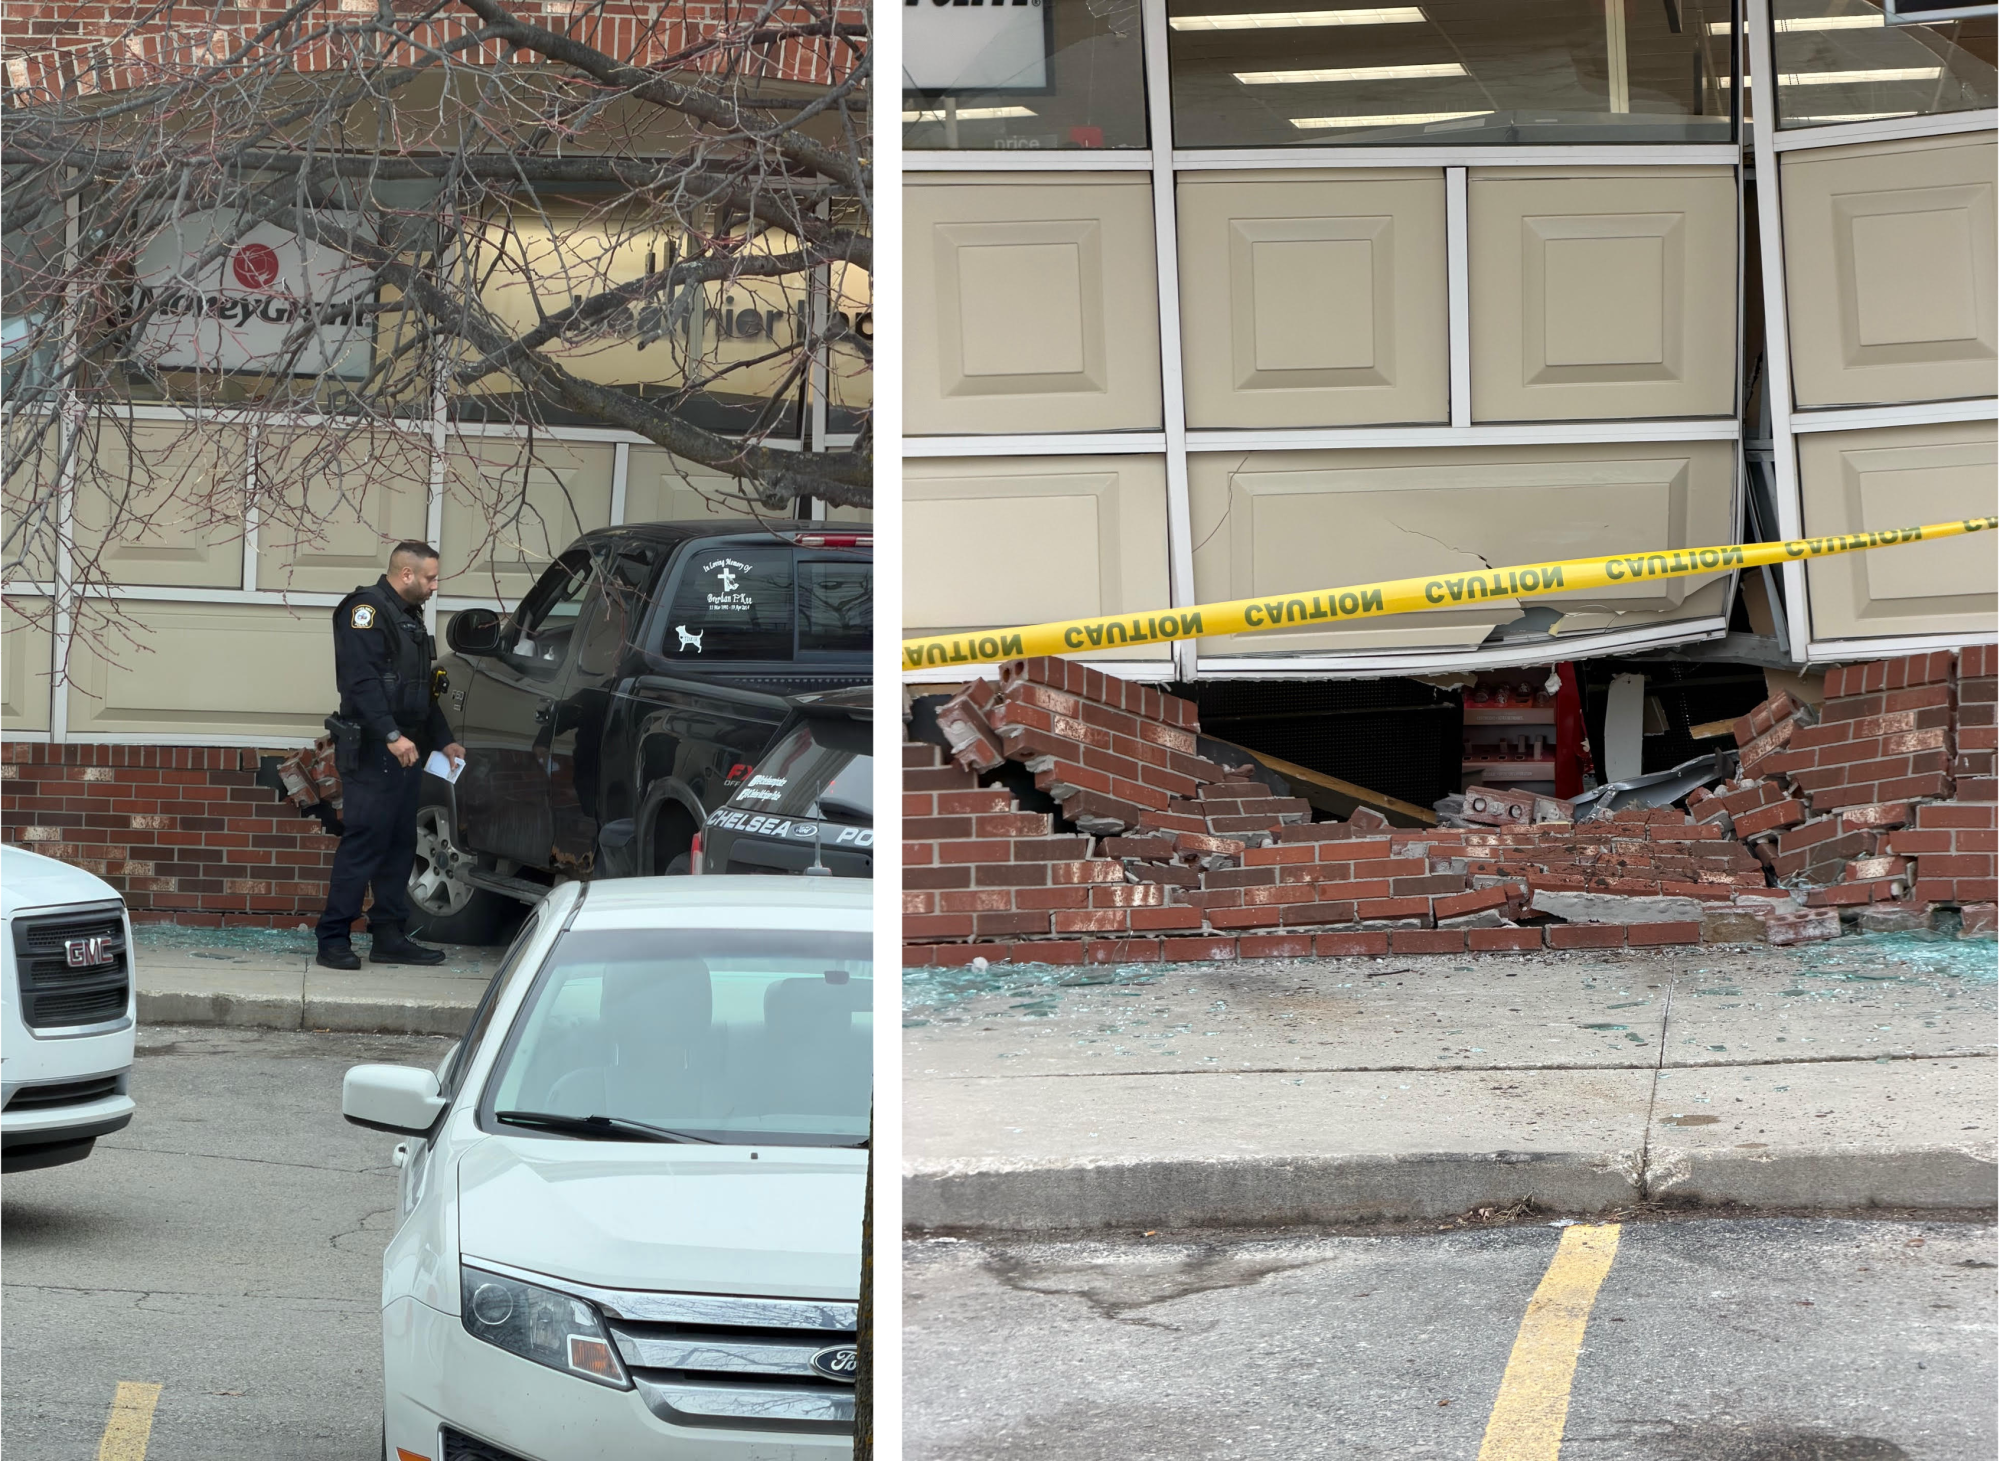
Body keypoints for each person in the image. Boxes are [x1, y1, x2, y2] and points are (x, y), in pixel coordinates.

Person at [316, 541, 467, 971]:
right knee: (364, 843)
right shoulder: (364, 612)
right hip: (374, 748)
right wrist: (390, 734)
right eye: (430, 578)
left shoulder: (407, 617)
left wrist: (443, 739)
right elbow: (359, 683)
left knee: (400, 844)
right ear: (406, 575)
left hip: (405, 750)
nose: (435, 586)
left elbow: (420, 687)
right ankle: (332, 939)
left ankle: (388, 935)